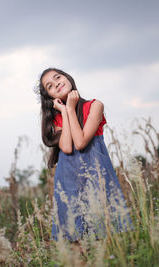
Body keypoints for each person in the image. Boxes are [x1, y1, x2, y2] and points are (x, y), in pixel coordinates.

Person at [35, 67, 134, 246]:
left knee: (101, 234)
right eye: (50, 86)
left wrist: (71, 109)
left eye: (58, 77)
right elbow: (66, 147)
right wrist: (65, 112)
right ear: (50, 97)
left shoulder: (95, 106)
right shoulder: (59, 118)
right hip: (69, 181)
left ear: (67, 77)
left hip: (95, 175)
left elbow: (80, 143)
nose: (56, 83)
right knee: (76, 239)